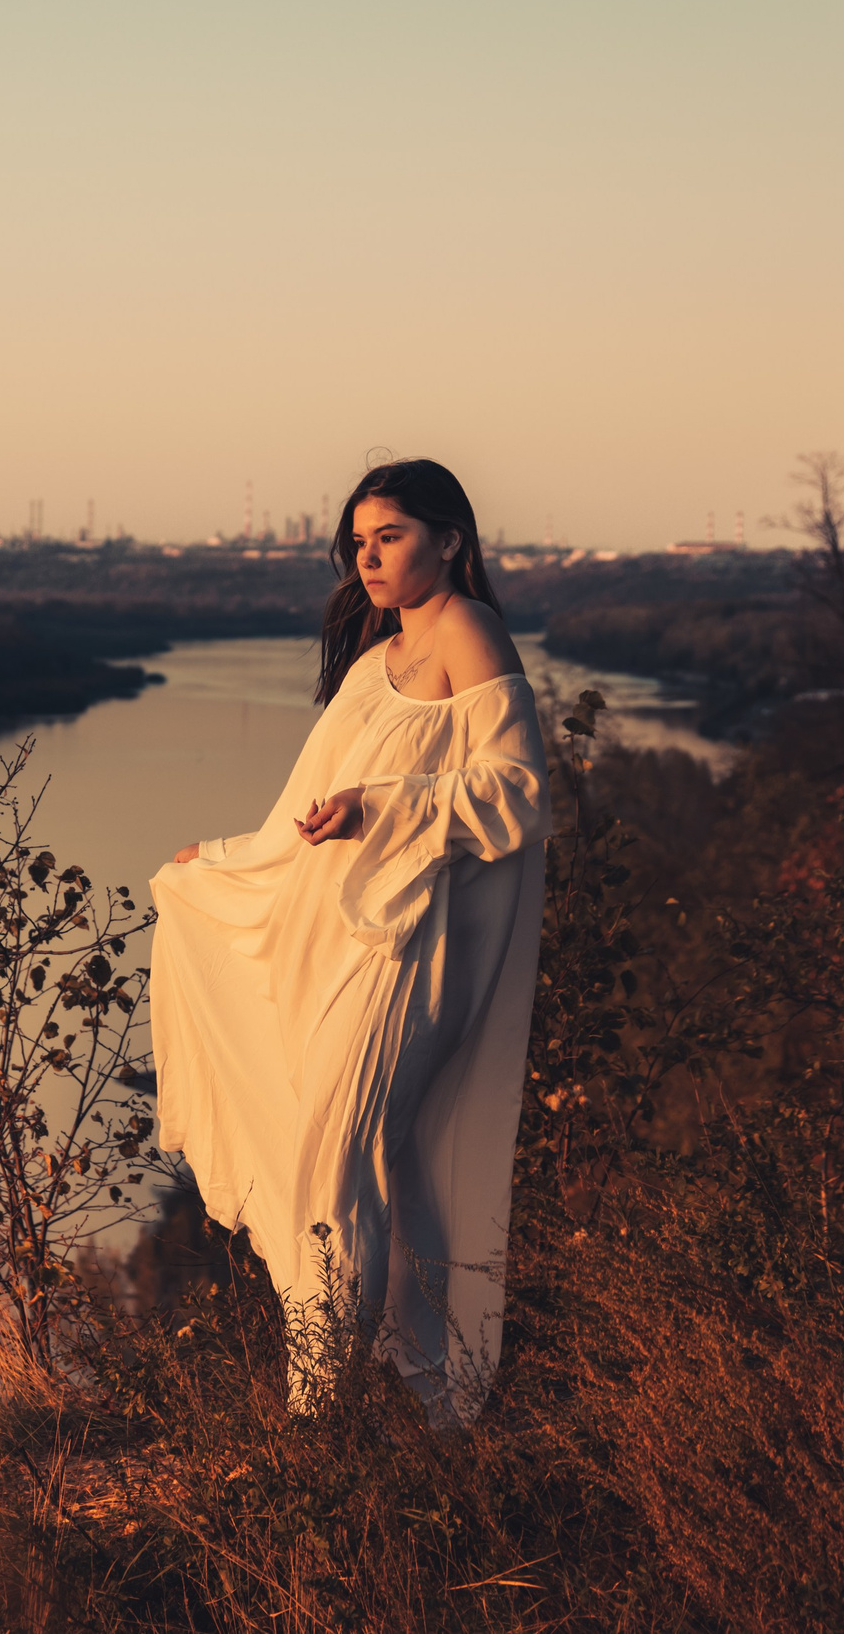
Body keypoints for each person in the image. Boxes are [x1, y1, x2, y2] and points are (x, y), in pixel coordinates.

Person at [148, 458, 548, 1417]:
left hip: (409, 948)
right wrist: (224, 856)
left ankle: (315, 1428)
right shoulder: (373, 664)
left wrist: (384, 803)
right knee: (379, 1176)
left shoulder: (466, 627)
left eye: (391, 536)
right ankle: (429, 1402)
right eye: (358, 543)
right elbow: (305, 815)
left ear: (450, 540)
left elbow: (521, 791)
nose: (368, 558)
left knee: (336, 1169)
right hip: (344, 944)